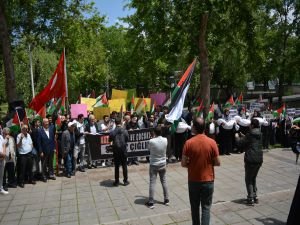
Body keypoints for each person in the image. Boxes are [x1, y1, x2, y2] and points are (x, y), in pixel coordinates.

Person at [181, 117, 220, 225]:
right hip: (208, 180)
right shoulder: (212, 142)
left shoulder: (188, 143)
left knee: (194, 208)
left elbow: (183, 163)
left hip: (193, 180)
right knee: (206, 208)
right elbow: (217, 162)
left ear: (194, 128)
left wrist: (191, 163)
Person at [235, 118, 263, 206]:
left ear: (252, 125)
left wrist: (237, 137)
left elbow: (240, 143)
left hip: (251, 159)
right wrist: (244, 136)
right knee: (253, 177)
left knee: (248, 179)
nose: (249, 125)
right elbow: (251, 141)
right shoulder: (260, 133)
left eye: (250, 124)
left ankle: (250, 198)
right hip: (259, 159)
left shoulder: (250, 133)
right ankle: (255, 196)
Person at [145, 126, 169, 209]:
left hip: (154, 164)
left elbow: (148, 149)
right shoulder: (165, 140)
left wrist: (152, 138)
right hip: (163, 163)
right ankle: (166, 199)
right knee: (164, 181)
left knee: (152, 182)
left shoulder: (151, 141)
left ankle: (151, 202)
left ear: (154, 133)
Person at [109, 117, 129, 186]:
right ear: (120, 122)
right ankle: (125, 181)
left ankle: (117, 181)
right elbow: (127, 139)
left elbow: (110, 139)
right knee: (124, 165)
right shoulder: (125, 130)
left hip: (116, 150)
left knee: (117, 166)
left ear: (115, 123)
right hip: (123, 150)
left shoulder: (112, 131)